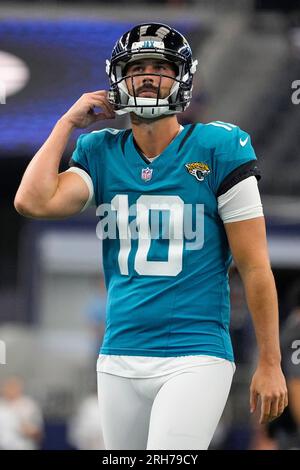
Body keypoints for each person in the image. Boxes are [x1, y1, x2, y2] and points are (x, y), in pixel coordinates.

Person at [14, 22, 288, 450]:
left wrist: (271, 361)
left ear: (182, 78)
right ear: (117, 78)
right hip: (119, 351)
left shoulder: (219, 147)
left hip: (195, 351)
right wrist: (66, 123)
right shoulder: (101, 151)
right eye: (136, 66)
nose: (146, 75)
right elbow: (31, 201)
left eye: (159, 66)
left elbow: (255, 266)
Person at [0, 377, 44, 450]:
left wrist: (30, 431)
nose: (11, 389)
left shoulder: (29, 405)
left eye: (14, 386)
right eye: (9, 386)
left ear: (20, 388)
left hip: (23, 446)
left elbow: (39, 434)